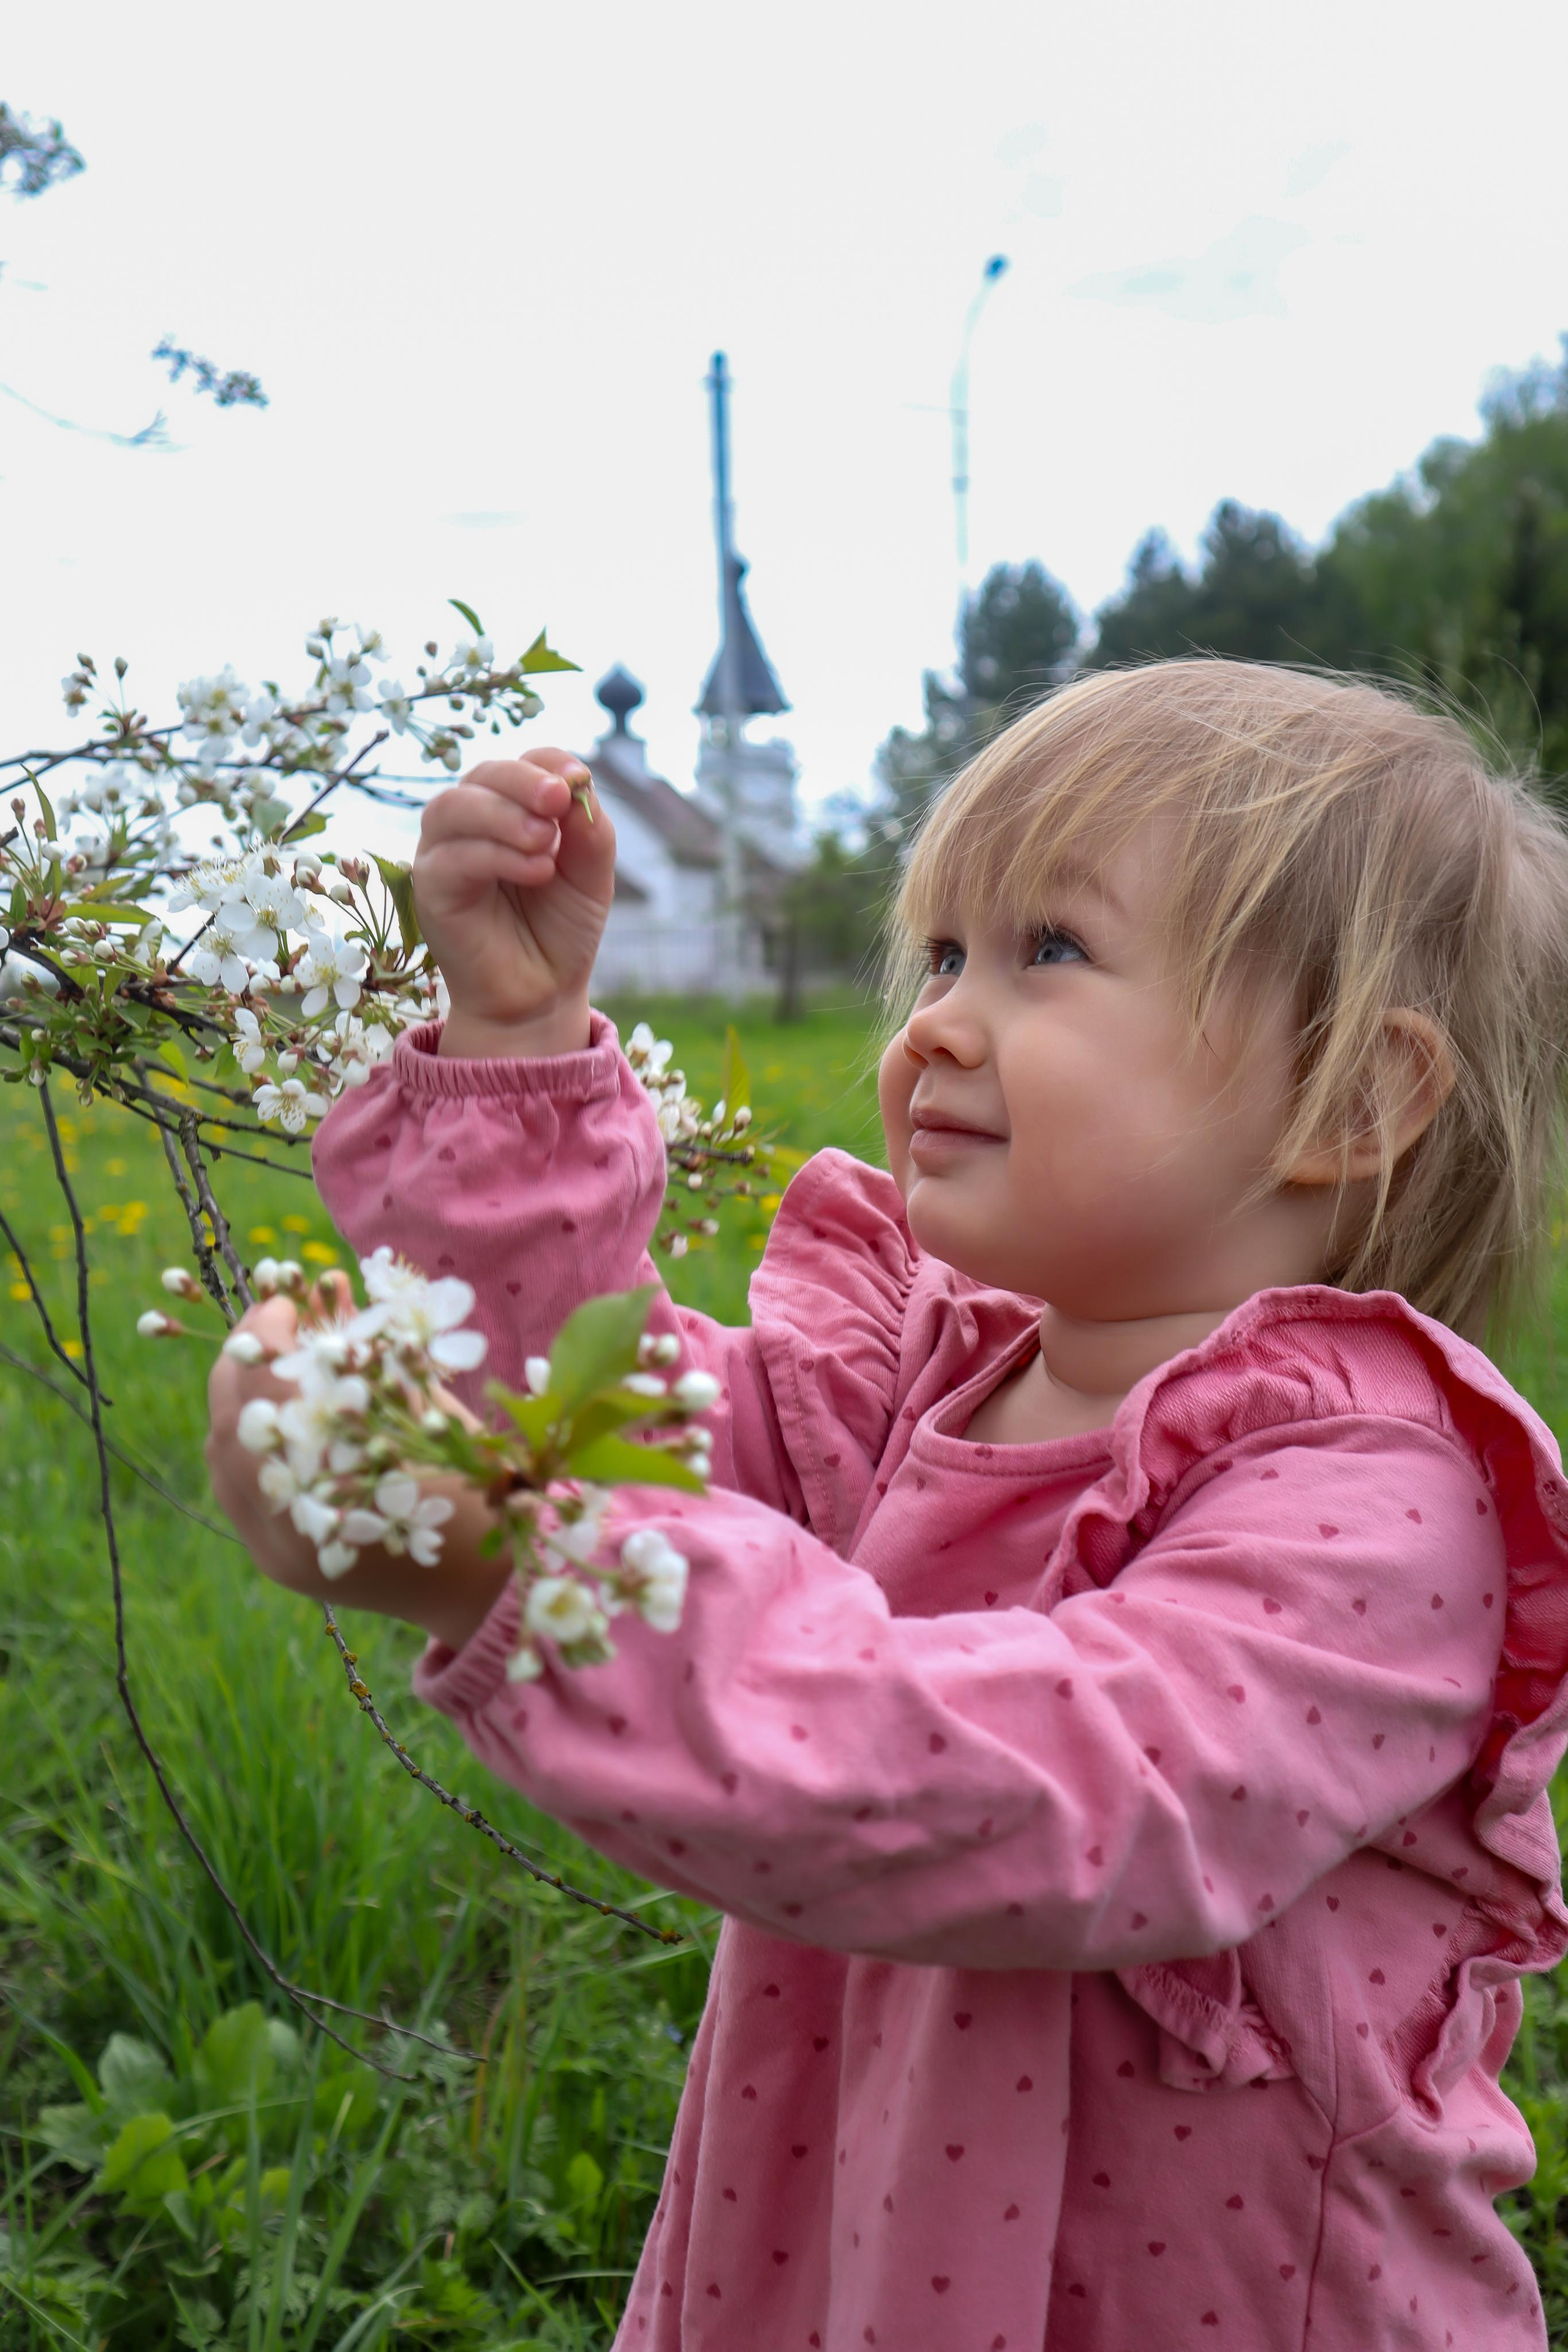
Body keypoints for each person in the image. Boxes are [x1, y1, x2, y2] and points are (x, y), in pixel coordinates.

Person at [208, 659, 1568, 2351]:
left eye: (1048, 951)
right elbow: (593, 1414)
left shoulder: (1378, 1500)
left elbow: (1069, 1790)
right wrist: (514, 1038)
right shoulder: (916, 1385)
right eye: (940, 953)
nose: (934, 1016)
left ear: (1352, 1098)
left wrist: (523, 1572)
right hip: (843, 2236)